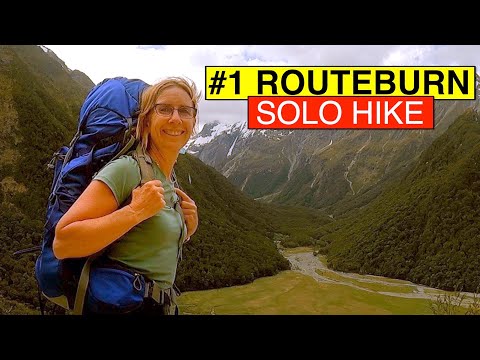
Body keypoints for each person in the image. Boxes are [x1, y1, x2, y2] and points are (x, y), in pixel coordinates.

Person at [52, 76, 200, 315]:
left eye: (185, 110)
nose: (175, 118)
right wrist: (135, 211)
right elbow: (63, 243)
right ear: (147, 118)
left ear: (194, 120)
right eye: (164, 109)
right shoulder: (127, 169)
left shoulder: (166, 177)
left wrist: (186, 230)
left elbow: (141, 245)